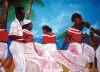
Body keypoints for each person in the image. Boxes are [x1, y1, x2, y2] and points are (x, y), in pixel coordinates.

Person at [9, 7, 26, 72]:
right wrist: (22, 37)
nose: (23, 16)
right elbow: (11, 36)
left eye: (24, 14)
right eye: (23, 14)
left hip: (19, 45)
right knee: (20, 66)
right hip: (16, 45)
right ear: (18, 14)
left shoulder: (19, 24)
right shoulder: (14, 23)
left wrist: (22, 40)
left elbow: (18, 36)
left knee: (23, 65)